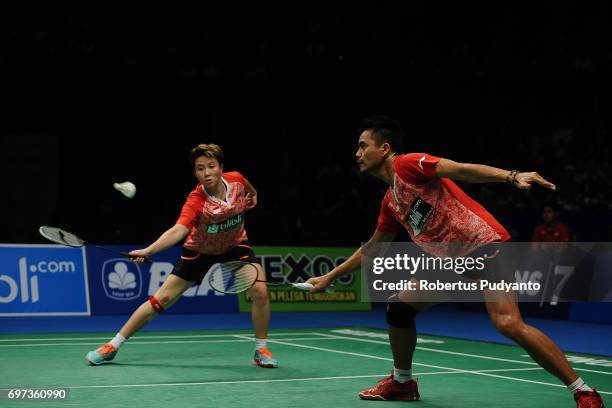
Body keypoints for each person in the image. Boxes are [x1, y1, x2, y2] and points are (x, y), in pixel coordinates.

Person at [307, 116, 604, 407]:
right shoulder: (391, 202)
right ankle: (402, 383)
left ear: (384, 148)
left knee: (508, 323)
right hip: (452, 263)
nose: (357, 154)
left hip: (484, 245)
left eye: (363, 146)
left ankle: (583, 391)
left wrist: (511, 176)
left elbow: (460, 170)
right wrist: (330, 276)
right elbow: (373, 249)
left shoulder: (408, 164)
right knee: (399, 309)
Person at [85, 143, 277, 368]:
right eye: (200, 168)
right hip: (199, 251)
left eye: (211, 166)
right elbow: (178, 230)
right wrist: (148, 250)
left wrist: (253, 194)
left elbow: (247, 186)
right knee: (161, 299)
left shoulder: (235, 179)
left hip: (235, 245)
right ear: (195, 172)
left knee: (260, 291)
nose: (206, 173)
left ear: (221, 167)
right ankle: (113, 345)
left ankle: (261, 349)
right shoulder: (196, 200)